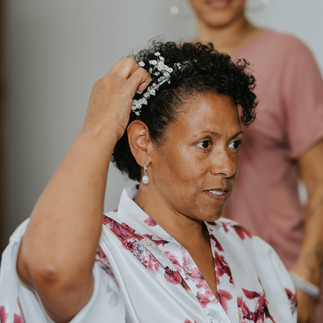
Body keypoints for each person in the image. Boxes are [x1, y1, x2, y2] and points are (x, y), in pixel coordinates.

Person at [0, 41, 297, 322]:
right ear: (143, 143)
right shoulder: (104, 252)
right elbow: (53, 270)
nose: (227, 167)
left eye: (234, 144)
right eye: (205, 143)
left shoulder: (253, 252)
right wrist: (99, 127)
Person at [187, 0, 323, 322]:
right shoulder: (173, 68)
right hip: (201, 287)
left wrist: (305, 282)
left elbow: (321, 182)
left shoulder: (287, 56)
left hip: (281, 276)